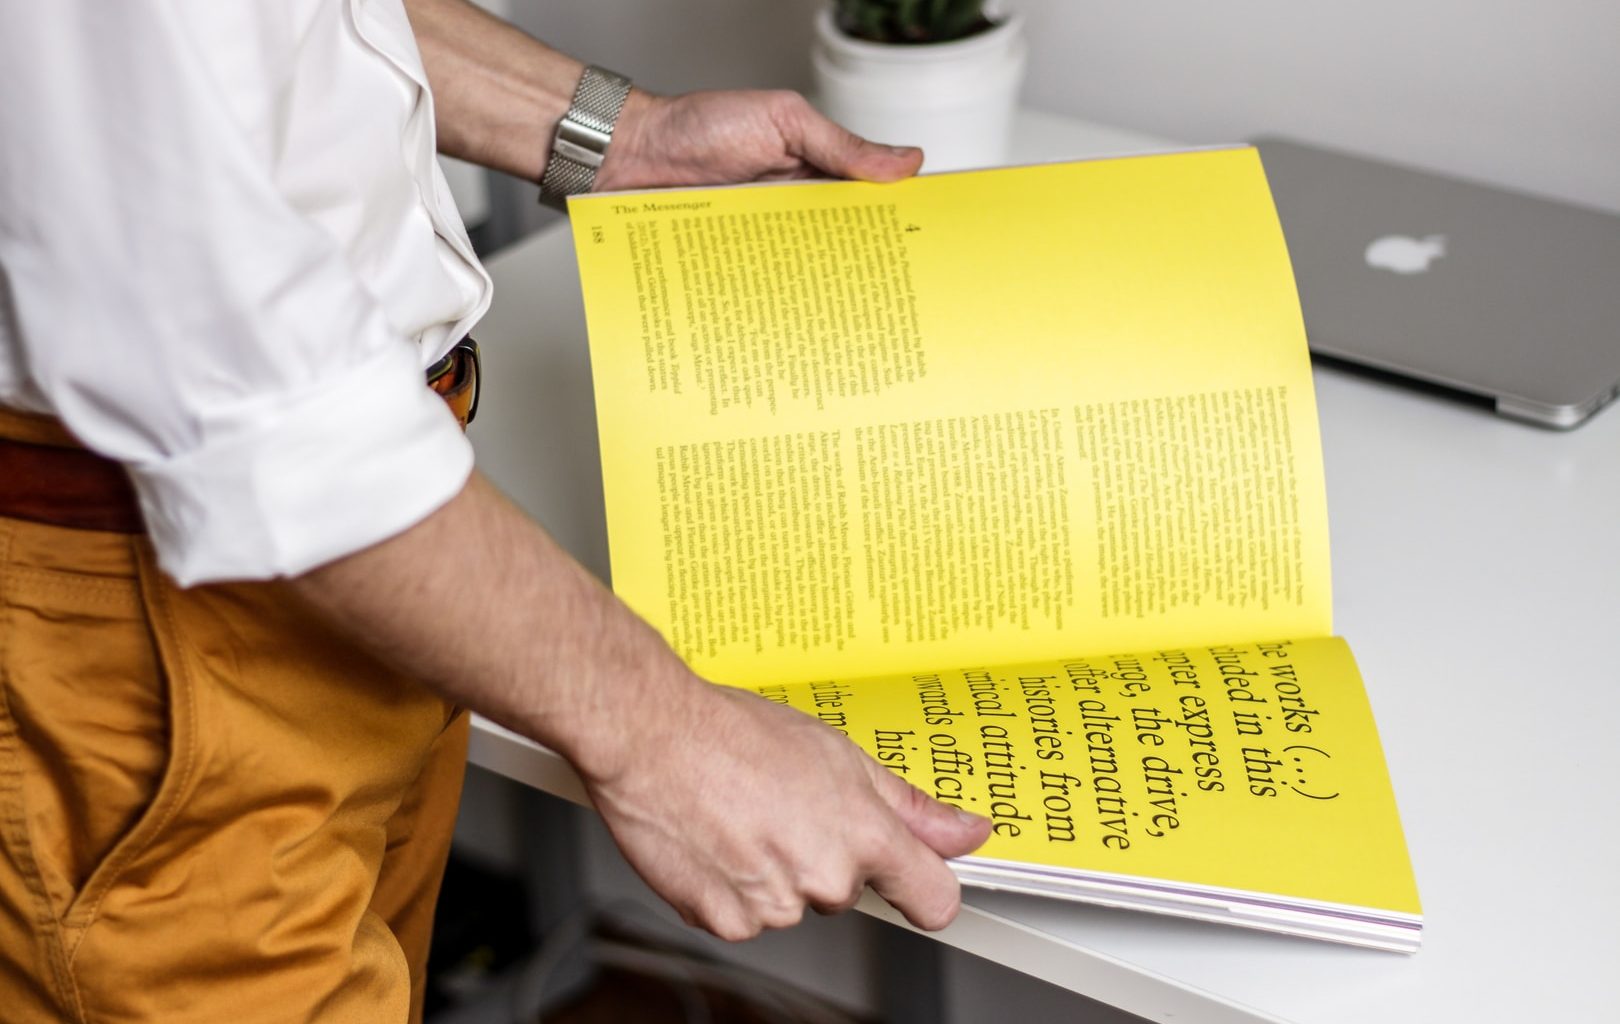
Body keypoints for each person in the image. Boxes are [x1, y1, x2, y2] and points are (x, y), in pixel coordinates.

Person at [0, 1, 991, 1021]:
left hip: (396, 546)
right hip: (162, 597)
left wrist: (626, 136)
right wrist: (665, 728)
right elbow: (240, 393)